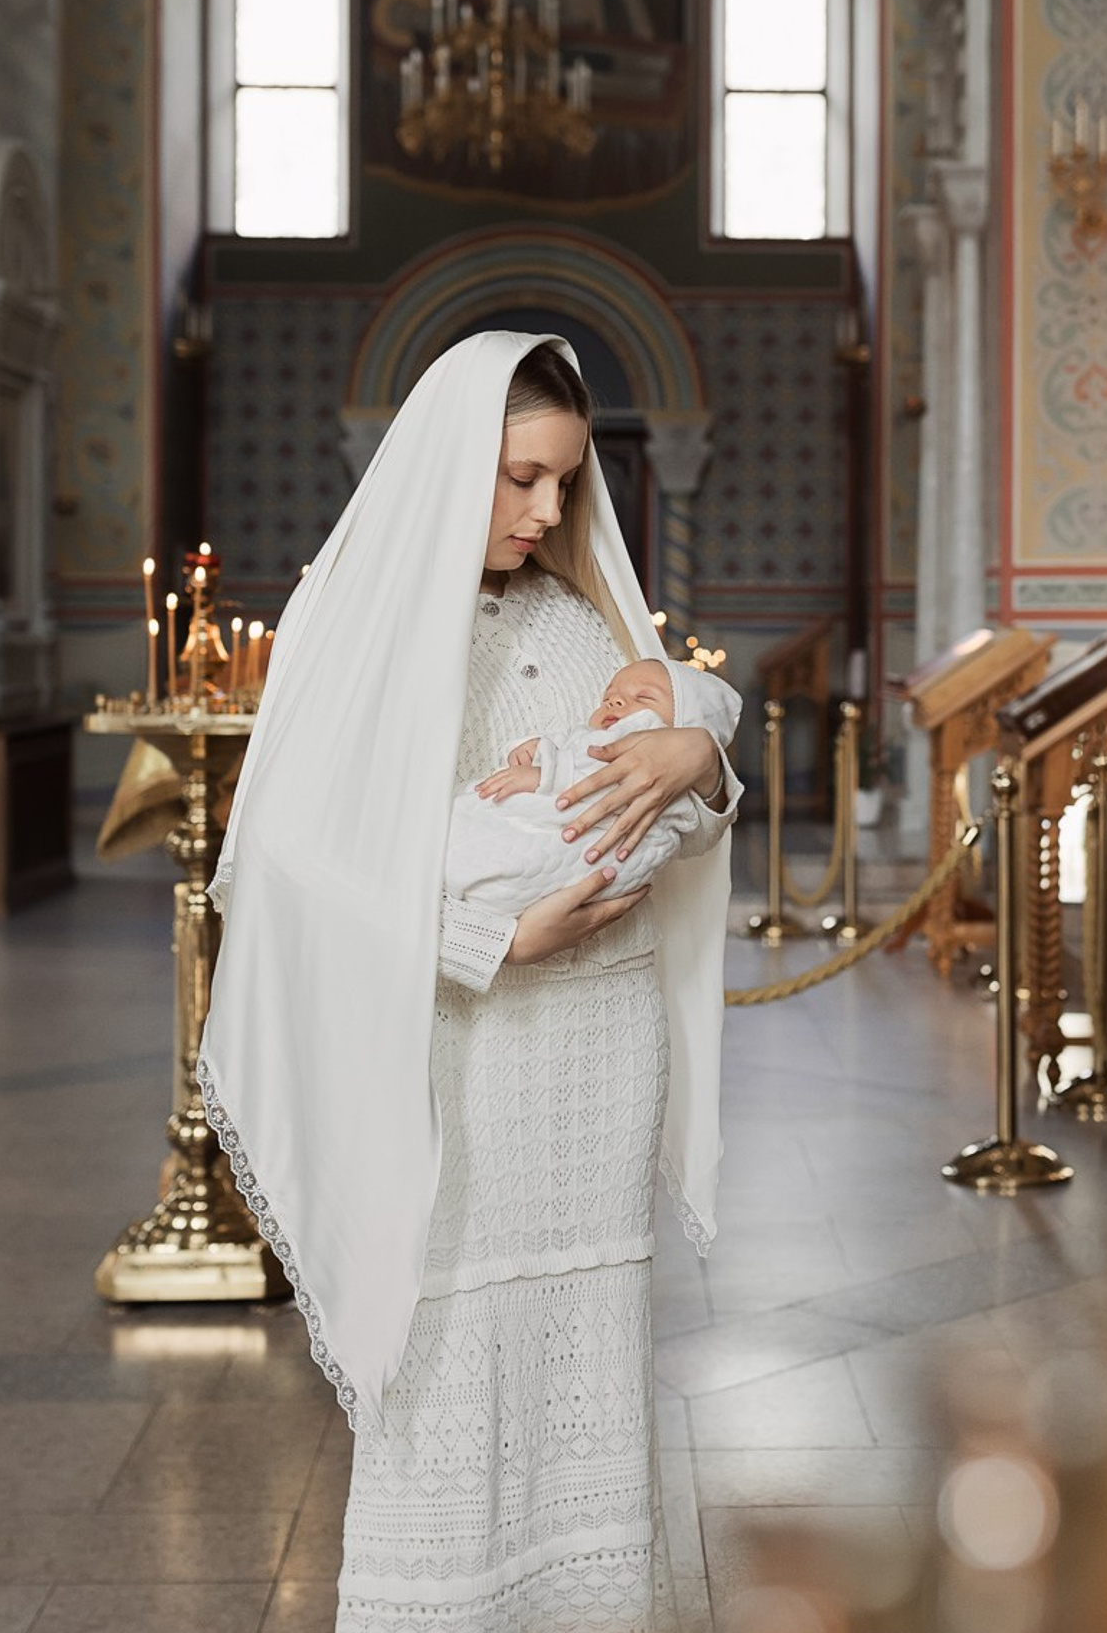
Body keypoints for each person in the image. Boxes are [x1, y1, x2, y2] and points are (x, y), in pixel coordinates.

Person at [199, 332, 739, 1633]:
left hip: (602, 1057)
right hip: (461, 1055)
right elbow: (283, 857)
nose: (548, 511)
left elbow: (666, 800)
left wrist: (701, 765)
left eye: (565, 482)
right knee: (444, 1356)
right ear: (451, 463)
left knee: (587, 1351)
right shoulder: (360, 620)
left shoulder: (584, 620)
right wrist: (483, 942)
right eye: (520, 478)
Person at [448, 656, 743, 917]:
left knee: (472, 826)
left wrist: (544, 776)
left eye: (644, 698)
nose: (614, 702)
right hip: (543, 871)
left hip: (584, 857)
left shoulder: (643, 741)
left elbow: (602, 778)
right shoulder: (591, 736)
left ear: (684, 724)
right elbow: (568, 748)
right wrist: (532, 748)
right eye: (607, 697)